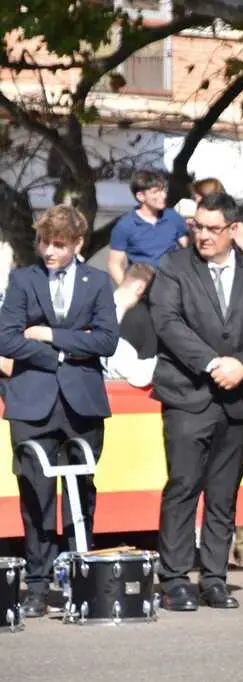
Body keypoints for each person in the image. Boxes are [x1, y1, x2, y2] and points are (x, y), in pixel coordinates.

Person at [150, 192, 243, 611]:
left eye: (212, 228)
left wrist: (241, 364)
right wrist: (210, 363)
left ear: (232, 230)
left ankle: (214, 576)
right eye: (198, 227)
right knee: (184, 487)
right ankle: (173, 579)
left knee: (224, 493)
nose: (203, 235)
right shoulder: (174, 267)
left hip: (237, 398)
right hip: (188, 394)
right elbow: (167, 322)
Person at [0, 205, 118, 617]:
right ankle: (36, 582)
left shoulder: (98, 282)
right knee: (36, 494)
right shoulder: (22, 280)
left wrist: (51, 335)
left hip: (82, 403)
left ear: (78, 245)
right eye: (44, 242)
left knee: (81, 492)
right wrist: (63, 355)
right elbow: (7, 339)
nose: (49, 251)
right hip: (31, 403)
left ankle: (80, 576)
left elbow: (106, 341)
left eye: (59, 244)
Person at [108, 169, 188, 284]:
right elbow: (114, 264)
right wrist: (128, 292)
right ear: (141, 196)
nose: (163, 195)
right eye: (156, 192)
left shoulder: (173, 217)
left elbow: (188, 248)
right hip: (142, 288)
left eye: (163, 190)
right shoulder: (125, 225)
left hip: (171, 286)